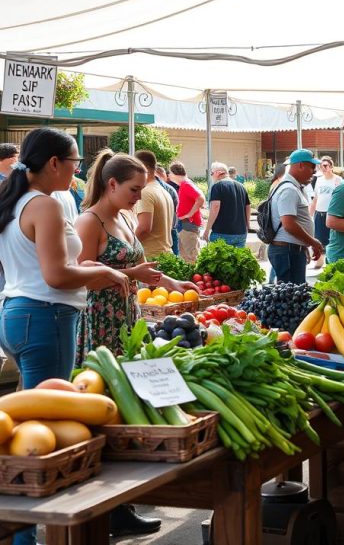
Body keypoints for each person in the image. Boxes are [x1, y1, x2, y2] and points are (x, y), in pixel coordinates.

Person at [0, 129, 132, 545]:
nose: (78, 170)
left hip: (18, 315)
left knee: (24, 425)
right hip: (45, 317)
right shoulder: (44, 206)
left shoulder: (18, 200)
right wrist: (106, 272)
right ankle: (26, 537)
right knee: (41, 436)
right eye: (74, 162)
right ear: (53, 163)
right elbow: (57, 276)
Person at [77, 152, 199, 355]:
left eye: (141, 189)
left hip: (129, 314)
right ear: (113, 184)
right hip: (101, 319)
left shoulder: (125, 217)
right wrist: (133, 274)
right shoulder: (89, 221)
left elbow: (143, 269)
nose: (139, 196)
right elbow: (85, 280)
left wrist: (172, 284)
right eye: (134, 189)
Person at [266, 150, 324, 284]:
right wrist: (312, 242)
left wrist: (303, 246)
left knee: (295, 295)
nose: (314, 171)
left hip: (291, 250)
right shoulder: (289, 189)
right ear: (301, 165)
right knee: (289, 298)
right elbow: (289, 224)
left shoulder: (294, 187)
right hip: (287, 252)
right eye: (312, 167)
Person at [131, 151, 175, 259]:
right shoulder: (162, 190)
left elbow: (144, 228)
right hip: (165, 254)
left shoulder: (145, 192)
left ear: (144, 167)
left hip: (151, 257)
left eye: (133, 167)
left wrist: (128, 247)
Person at [204, 161, 251, 248]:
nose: (211, 176)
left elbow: (215, 207)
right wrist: (247, 225)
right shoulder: (241, 186)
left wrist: (207, 230)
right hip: (241, 232)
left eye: (211, 173)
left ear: (218, 173)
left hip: (222, 232)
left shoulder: (217, 186)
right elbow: (247, 206)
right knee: (238, 261)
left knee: (219, 261)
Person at [309, 156, 342, 268]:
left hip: (331, 214)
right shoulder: (319, 180)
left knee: (331, 238)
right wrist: (310, 214)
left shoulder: (338, 180)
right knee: (318, 238)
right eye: (321, 166)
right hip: (319, 213)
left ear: (331, 167)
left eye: (325, 165)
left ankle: (331, 261)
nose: (323, 168)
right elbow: (315, 198)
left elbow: (341, 197)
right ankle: (319, 260)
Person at [169, 161, 205, 263]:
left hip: (188, 224)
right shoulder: (187, 183)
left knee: (191, 257)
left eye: (170, 173)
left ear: (174, 173)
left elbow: (201, 199)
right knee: (186, 256)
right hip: (186, 224)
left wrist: (189, 214)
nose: (169, 176)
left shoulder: (186, 184)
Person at [153, 165, 180, 256]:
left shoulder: (150, 189)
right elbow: (176, 210)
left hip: (158, 233)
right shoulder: (170, 189)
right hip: (171, 229)